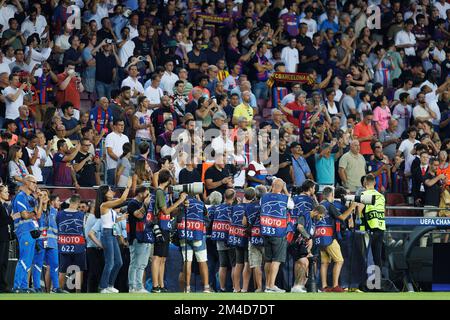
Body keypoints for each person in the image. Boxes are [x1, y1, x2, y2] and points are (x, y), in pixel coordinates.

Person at [151, 169, 187, 293]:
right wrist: (180, 201)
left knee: (163, 258)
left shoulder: (164, 193)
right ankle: (156, 285)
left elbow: (170, 212)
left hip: (165, 225)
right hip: (160, 226)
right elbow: (165, 211)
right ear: (167, 180)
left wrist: (180, 205)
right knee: (157, 257)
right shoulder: (160, 192)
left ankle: (160, 285)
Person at [95, 177, 131, 293]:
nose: (112, 192)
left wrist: (122, 218)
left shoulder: (108, 208)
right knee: (109, 262)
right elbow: (122, 199)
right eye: (110, 190)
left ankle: (110, 285)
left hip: (112, 234)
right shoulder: (104, 205)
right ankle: (103, 286)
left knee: (119, 262)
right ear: (104, 193)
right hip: (107, 234)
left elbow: (112, 221)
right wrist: (128, 187)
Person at [318, 186, 357, 292]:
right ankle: (335, 286)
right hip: (329, 236)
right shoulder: (330, 205)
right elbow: (342, 218)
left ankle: (324, 287)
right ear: (332, 195)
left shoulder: (320, 204)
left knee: (324, 262)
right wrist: (351, 207)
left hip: (319, 236)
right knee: (339, 260)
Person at [11, 175, 44, 293]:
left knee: (28, 260)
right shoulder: (20, 196)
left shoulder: (30, 198)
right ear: (26, 182)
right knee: (24, 259)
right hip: (24, 230)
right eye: (34, 182)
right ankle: (17, 286)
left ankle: (24, 286)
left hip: (31, 231)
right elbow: (25, 215)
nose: (36, 185)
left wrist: (40, 201)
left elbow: (38, 215)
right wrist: (34, 212)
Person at [260, 178, 293, 293]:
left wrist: (271, 189)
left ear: (272, 186)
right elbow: (292, 206)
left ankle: (267, 286)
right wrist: (285, 190)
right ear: (282, 187)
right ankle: (271, 285)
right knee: (276, 259)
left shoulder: (263, 197)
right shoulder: (285, 198)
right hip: (278, 232)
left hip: (266, 231)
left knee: (268, 260)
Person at [177, 195, 211, 293]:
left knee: (187, 261)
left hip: (184, 234)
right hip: (198, 234)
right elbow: (207, 219)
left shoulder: (181, 202)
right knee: (202, 261)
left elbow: (176, 217)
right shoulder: (200, 204)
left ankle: (187, 288)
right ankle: (206, 288)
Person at [32, 189, 63, 293]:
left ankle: (56, 287)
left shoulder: (54, 211)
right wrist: (40, 201)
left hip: (52, 241)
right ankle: (37, 287)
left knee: (54, 264)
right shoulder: (36, 209)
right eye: (42, 195)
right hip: (40, 241)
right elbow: (38, 216)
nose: (43, 196)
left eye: (45, 195)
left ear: (49, 199)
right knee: (38, 264)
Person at [56, 194, 86, 293]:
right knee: (78, 270)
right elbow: (85, 230)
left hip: (64, 245)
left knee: (62, 270)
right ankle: (78, 293)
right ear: (78, 203)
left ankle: (59, 291)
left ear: (70, 202)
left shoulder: (59, 214)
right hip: (78, 246)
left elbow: (56, 228)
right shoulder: (82, 215)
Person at [126, 185, 152, 293]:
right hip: (136, 237)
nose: (148, 196)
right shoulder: (132, 203)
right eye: (146, 193)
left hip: (146, 236)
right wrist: (145, 204)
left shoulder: (144, 203)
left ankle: (139, 286)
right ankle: (132, 286)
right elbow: (138, 215)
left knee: (143, 264)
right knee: (135, 263)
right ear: (140, 193)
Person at [360, 174, 387, 272]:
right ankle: (377, 284)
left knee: (364, 256)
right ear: (374, 183)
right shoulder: (381, 196)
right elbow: (383, 211)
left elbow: (360, 209)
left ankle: (364, 282)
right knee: (377, 257)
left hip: (369, 229)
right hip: (380, 227)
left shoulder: (364, 195)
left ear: (365, 183)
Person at [105, 118, 129, 186]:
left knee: (122, 189)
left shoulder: (125, 138)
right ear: (114, 126)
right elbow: (110, 152)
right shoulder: (110, 136)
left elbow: (128, 152)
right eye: (120, 125)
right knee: (112, 189)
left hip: (124, 168)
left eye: (123, 125)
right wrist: (120, 160)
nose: (122, 127)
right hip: (113, 167)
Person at [0, 184, 12, 293]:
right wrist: (11, 218)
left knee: (4, 263)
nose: (8, 193)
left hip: (4, 237)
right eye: (5, 191)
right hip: (1, 238)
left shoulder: (4, 206)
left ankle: (2, 286)